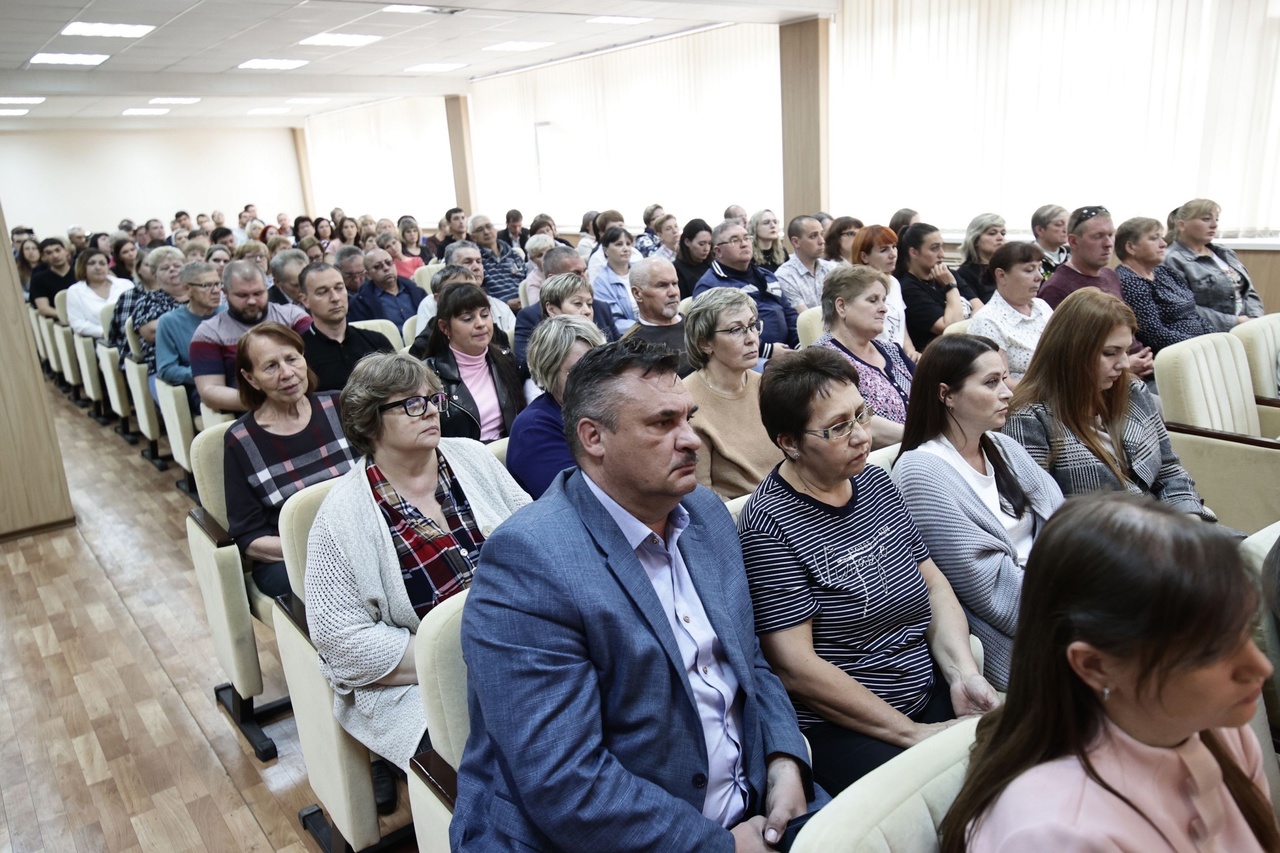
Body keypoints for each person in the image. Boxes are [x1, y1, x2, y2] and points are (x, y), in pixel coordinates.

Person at [452, 337, 816, 852]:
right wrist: (722, 847)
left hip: (754, 804)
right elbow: (565, 781)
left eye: (687, 418)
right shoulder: (528, 563)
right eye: (662, 424)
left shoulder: (707, 516)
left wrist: (784, 759)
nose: (691, 439)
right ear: (593, 437)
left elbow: (749, 659)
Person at [941, 494, 1277, 853]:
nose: (1262, 667)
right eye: (1211, 652)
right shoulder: (1057, 834)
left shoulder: (1217, 726)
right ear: (1096, 666)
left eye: (1245, 631)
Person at [738, 346, 998, 794]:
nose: (861, 436)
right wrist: (909, 733)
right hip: (846, 722)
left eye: (861, 414)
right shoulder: (768, 524)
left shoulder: (875, 482)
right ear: (789, 442)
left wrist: (961, 673)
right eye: (839, 427)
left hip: (923, 682)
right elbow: (797, 666)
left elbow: (932, 582)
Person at [305, 351, 528, 779]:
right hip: (419, 684)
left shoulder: (472, 458)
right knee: (508, 759)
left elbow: (538, 538)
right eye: (411, 403)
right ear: (369, 421)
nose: (430, 411)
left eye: (432, 399)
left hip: (521, 643)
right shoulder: (340, 517)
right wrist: (452, 655)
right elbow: (342, 644)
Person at [893, 335, 1064, 689]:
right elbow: (987, 587)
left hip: (1062, 591)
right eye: (991, 383)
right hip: (1025, 630)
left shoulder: (1001, 444)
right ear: (946, 395)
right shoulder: (921, 471)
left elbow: (1061, 521)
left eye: (1004, 378)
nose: (1007, 392)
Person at [1003, 288, 1219, 522]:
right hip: (1106, 547)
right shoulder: (1028, 418)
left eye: (1125, 351)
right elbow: (1046, 515)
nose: (1124, 364)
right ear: (1072, 351)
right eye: (1110, 353)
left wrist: (1188, 518)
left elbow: (1169, 470)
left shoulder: (1132, 391)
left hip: (1168, 528)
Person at [224, 323, 357, 598]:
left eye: (292, 359)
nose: (287, 374)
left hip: (360, 538)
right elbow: (249, 538)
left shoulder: (338, 406)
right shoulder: (241, 440)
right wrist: (317, 549)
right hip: (290, 556)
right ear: (251, 379)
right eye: (270, 367)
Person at [1038, 207, 1157, 386]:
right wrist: (1123, 365)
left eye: (1111, 234)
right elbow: (1064, 355)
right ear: (1074, 242)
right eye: (1098, 236)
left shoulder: (1110, 275)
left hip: (1142, 368)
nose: (1109, 243)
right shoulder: (1056, 289)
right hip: (1104, 382)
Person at [682, 288, 782, 499]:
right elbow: (703, 497)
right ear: (705, 343)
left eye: (753, 326)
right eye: (736, 330)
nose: (751, 338)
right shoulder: (686, 404)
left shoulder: (768, 386)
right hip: (745, 520)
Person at [813, 264, 915, 447]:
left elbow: (927, 394)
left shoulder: (892, 350)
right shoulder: (821, 359)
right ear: (841, 306)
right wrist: (921, 437)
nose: (884, 308)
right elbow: (857, 421)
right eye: (873, 300)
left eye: (884, 300)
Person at [191, 260, 312, 414]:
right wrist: (267, 399)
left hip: (305, 403)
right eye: (242, 295)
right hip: (248, 413)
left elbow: (318, 362)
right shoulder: (209, 333)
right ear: (225, 293)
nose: (252, 301)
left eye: (258, 293)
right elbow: (210, 391)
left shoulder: (293, 317)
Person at [506, 315, 605, 498]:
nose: (593, 377)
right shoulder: (533, 429)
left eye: (598, 365)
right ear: (549, 372)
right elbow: (580, 500)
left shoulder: (605, 407)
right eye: (578, 371)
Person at [421, 283, 524, 441]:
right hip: (463, 460)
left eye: (484, 315)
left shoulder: (506, 359)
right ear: (444, 327)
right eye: (468, 319)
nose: (481, 324)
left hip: (509, 453)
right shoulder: (429, 375)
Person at [694, 220, 799, 359]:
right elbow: (715, 334)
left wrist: (799, 344)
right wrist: (767, 350)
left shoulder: (767, 276)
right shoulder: (710, 286)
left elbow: (789, 313)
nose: (744, 243)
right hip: (747, 358)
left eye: (746, 238)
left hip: (786, 351)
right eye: (734, 240)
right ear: (718, 251)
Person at [1115, 216, 1214, 353]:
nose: (1163, 244)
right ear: (1131, 247)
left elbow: (1193, 312)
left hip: (1197, 347)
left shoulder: (1164, 271)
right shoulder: (1129, 281)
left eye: (1161, 237)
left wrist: (1215, 338)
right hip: (1175, 355)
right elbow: (1155, 335)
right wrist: (1202, 346)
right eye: (1154, 238)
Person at [1162, 198, 1265, 330]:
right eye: (1206, 219)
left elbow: (1249, 292)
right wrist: (1235, 321)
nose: (1214, 225)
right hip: (1210, 333)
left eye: (1216, 219)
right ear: (1182, 225)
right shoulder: (1171, 259)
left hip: (1246, 327)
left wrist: (1255, 319)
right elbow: (1181, 307)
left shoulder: (1225, 253)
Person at [298, 262, 395, 392]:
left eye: (339, 288)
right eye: (322, 292)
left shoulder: (376, 341)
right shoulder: (299, 354)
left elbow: (400, 387)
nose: (335, 298)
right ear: (305, 300)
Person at [967, 242, 1054, 385]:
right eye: (1029, 270)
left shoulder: (1042, 306)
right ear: (1001, 275)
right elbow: (1001, 384)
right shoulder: (987, 321)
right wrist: (1056, 389)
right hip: (1025, 401)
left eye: (1040, 268)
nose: (1039, 277)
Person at [512, 258, 619, 366]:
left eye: (589, 304)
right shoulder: (531, 319)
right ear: (552, 310)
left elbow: (619, 350)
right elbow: (526, 366)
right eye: (577, 303)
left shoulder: (602, 308)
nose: (587, 311)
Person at [156, 261, 223, 411]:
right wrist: (206, 374)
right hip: (199, 388)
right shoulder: (169, 322)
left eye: (218, 284)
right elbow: (167, 369)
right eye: (207, 286)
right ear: (187, 289)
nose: (216, 290)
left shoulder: (228, 312)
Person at [412, 243, 517, 338]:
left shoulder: (500, 306)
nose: (476, 267)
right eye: (468, 262)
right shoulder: (432, 303)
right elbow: (426, 349)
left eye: (479, 261)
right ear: (450, 267)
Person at [897, 222, 974, 349]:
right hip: (938, 357)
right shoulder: (908, 288)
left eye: (942, 247)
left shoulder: (948, 273)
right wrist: (950, 287)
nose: (942, 254)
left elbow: (980, 309)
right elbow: (951, 329)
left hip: (963, 348)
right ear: (914, 252)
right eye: (934, 248)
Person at [851, 224, 918, 360]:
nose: (893, 254)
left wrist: (910, 350)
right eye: (884, 250)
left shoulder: (893, 282)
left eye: (894, 247)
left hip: (897, 357)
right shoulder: (855, 288)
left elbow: (900, 325)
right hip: (874, 359)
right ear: (864, 257)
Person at [621, 257, 691, 377]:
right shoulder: (631, 347)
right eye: (662, 285)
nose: (673, 292)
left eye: (675, 283)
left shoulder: (696, 325)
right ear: (637, 294)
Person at [346, 247, 426, 326]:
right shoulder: (359, 304)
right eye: (377, 266)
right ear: (368, 275)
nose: (386, 268)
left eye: (389, 263)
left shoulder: (417, 292)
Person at [774, 215, 835, 314]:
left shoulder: (831, 268)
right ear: (796, 242)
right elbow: (807, 319)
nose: (822, 241)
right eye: (813, 236)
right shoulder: (785, 276)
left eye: (822, 234)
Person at [66, 249, 131, 339]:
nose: (98, 267)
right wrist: (105, 332)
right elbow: (78, 323)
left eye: (102, 263)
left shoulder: (125, 284)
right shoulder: (75, 291)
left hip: (130, 335)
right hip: (99, 339)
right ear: (82, 267)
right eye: (92, 263)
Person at [468, 214, 526, 312]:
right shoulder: (475, 260)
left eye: (488, 226)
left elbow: (527, 280)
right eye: (480, 229)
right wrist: (505, 303)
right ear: (473, 237)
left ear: (495, 229)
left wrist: (525, 299)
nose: (486, 232)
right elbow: (477, 292)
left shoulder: (514, 254)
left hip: (524, 305)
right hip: (496, 310)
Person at [592, 225, 638, 336]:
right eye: (619, 244)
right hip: (629, 336)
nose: (626, 248)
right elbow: (614, 321)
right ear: (605, 250)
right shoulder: (601, 282)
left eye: (628, 244)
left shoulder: (641, 271)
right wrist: (643, 327)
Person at [954, 214, 1005, 304]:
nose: (1000, 238)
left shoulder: (1008, 268)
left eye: (1003, 233)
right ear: (975, 240)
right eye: (992, 233)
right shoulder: (964, 274)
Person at [28, 237, 75, 320]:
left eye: (58, 250)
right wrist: (68, 317)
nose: (55, 256)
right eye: (49, 253)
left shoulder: (80, 273)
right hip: (59, 322)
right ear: (43, 257)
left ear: (66, 251)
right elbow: (44, 308)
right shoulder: (38, 279)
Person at [674, 218, 713, 298]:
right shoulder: (677, 269)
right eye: (701, 244)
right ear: (687, 242)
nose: (707, 248)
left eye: (709, 243)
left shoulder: (713, 264)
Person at [1030, 204, 1069, 278]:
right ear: (1040, 230)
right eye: (1059, 224)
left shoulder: (1072, 255)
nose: (1066, 230)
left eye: (1068, 225)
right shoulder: (1026, 257)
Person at [518, 233, 555, 307]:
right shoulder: (533, 279)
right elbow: (536, 306)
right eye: (540, 255)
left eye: (548, 252)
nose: (545, 257)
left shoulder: (564, 268)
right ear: (532, 260)